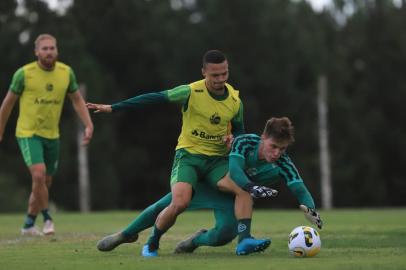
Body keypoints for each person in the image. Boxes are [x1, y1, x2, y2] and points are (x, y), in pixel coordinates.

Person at [87, 50, 272, 256]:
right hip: (189, 159)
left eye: (224, 74)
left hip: (216, 164)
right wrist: (114, 108)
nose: (220, 79)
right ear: (203, 72)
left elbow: (239, 130)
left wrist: (234, 140)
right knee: (178, 203)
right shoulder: (190, 92)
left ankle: (244, 240)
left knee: (243, 189)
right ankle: (147, 241)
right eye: (214, 75)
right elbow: (154, 98)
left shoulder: (235, 101)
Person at [95, 117, 323, 256]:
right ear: (264, 137)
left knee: (224, 235)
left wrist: (311, 209)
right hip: (213, 183)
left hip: (233, 197)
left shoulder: (283, 162)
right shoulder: (246, 142)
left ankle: (194, 241)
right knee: (165, 206)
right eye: (274, 146)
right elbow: (234, 170)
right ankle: (125, 234)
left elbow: (299, 188)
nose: (277, 153)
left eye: (282, 149)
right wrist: (251, 186)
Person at [0, 34, 94, 236]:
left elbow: (77, 100)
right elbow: (8, 104)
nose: (49, 52)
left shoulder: (66, 73)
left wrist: (88, 124)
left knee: (44, 182)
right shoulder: (24, 74)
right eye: (44, 49)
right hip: (28, 132)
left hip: (52, 135)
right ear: (36, 52)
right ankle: (48, 219)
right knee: (39, 174)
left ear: (57, 50)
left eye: (52, 48)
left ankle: (28, 224)